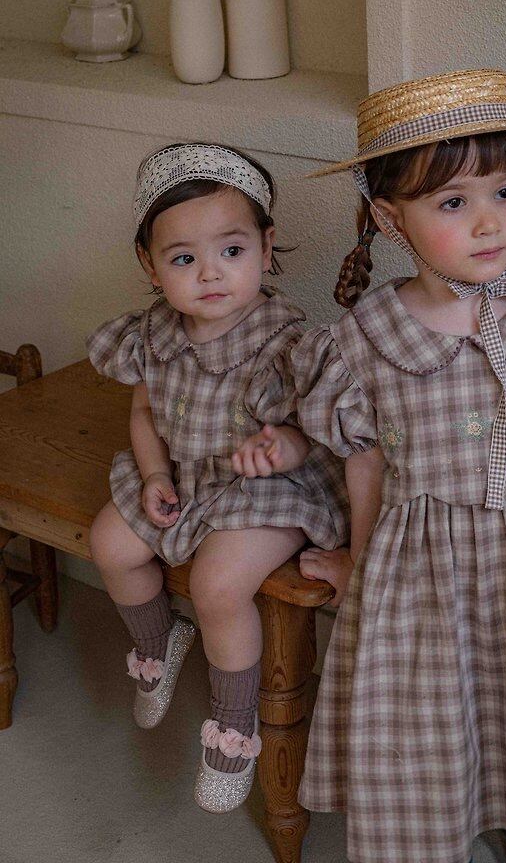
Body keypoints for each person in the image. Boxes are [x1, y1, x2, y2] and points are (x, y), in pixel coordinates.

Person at [291, 68, 506, 863]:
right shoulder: (361, 342)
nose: (489, 222)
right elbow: (367, 472)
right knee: (425, 733)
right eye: (453, 202)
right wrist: (360, 568)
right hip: (418, 593)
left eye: (505, 192)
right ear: (390, 218)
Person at [87, 142, 346, 813]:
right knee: (110, 543)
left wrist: (282, 447)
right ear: (150, 265)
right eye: (183, 259)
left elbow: (318, 430)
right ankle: (158, 643)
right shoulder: (154, 333)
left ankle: (234, 728)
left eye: (231, 250)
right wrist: (152, 473)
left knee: (218, 583)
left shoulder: (286, 339)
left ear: (266, 245)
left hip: (270, 485)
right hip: (186, 474)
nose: (210, 274)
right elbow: (143, 410)